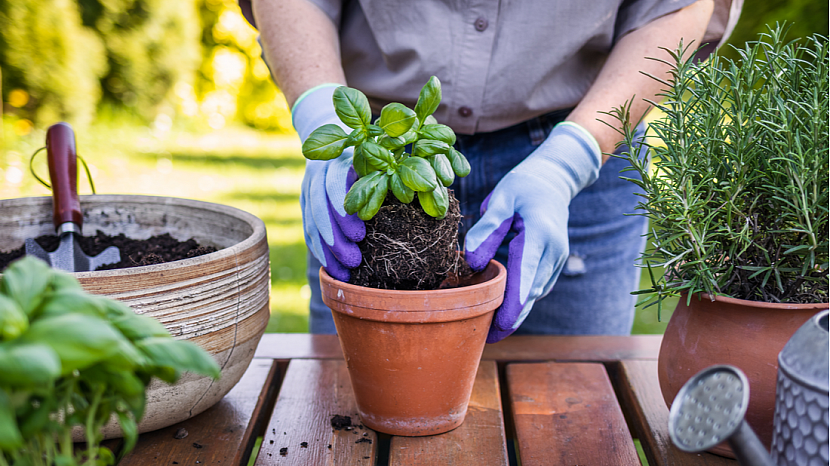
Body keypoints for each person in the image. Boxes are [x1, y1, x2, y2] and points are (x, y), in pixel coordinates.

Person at [241, 0, 741, 341]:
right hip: (374, 157)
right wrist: (323, 121)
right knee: (354, 412)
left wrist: (567, 164)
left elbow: (676, 7)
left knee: (571, 408)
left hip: (583, 142)